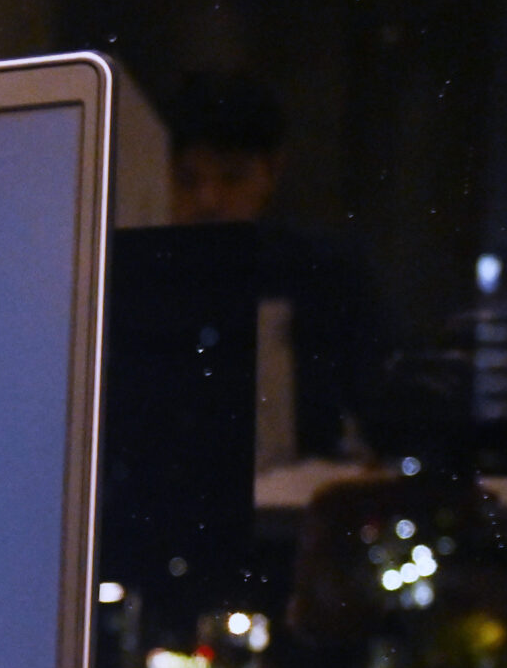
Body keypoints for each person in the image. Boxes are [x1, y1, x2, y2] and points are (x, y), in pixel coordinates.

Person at [165, 71, 386, 464]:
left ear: (272, 171)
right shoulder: (140, 278)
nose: (208, 200)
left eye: (232, 177)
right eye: (187, 179)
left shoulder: (324, 272)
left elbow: (378, 403)